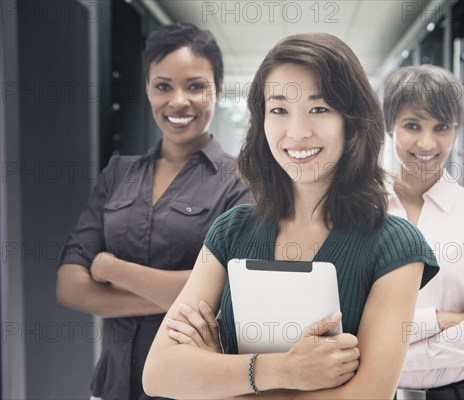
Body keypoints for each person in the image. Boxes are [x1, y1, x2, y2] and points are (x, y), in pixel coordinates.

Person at [142, 32, 440, 399]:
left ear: (352, 121)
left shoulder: (395, 245)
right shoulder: (231, 231)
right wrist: (284, 370)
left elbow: (365, 396)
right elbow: (159, 373)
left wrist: (218, 375)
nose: (297, 132)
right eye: (279, 110)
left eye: (319, 109)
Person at [56, 22, 252, 400]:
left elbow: (230, 296)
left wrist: (113, 270)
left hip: (191, 390)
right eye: (163, 86)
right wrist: (182, 299)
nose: (178, 101)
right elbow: (70, 286)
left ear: (218, 90)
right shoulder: (118, 174)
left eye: (195, 86)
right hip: (111, 387)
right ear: (147, 89)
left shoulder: (241, 182)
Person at [383, 65, 464, 400]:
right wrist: (442, 320)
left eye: (441, 127)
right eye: (412, 125)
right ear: (389, 126)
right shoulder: (361, 215)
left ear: (455, 130)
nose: (427, 143)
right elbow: (347, 322)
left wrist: (383, 357)